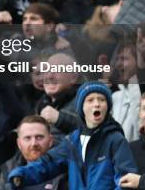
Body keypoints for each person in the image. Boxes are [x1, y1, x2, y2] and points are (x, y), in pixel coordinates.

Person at [9, 81, 137, 189]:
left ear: (107, 107)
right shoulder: (72, 142)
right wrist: (21, 174)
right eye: (90, 100)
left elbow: (126, 180)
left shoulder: (115, 140)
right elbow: (48, 163)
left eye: (102, 100)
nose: (97, 104)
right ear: (81, 108)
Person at [0, 116, 64, 190]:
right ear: (19, 144)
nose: (34, 143)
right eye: (27, 138)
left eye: (39, 137)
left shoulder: (66, 169)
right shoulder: (9, 170)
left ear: (50, 141)